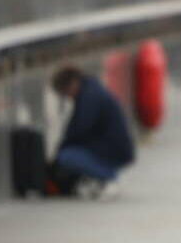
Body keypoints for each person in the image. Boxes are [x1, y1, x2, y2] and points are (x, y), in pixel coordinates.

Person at [49, 66, 135, 199]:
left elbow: (80, 130)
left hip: (112, 150)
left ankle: (108, 176)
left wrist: (60, 150)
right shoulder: (91, 91)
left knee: (67, 156)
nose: (67, 97)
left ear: (72, 83)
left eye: (65, 93)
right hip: (112, 147)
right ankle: (102, 176)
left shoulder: (89, 97)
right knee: (68, 153)